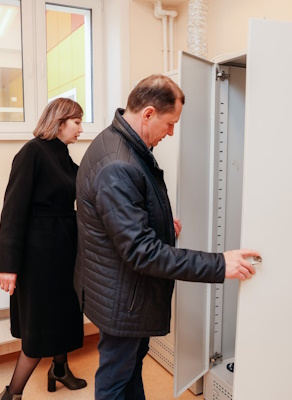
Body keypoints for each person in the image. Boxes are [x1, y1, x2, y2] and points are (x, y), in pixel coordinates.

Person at [74, 74, 261, 399]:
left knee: (128, 371)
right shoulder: (118, 164)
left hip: (119, 291)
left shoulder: (115, 141)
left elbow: (122, 216)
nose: (171, 132)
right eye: (170, 123)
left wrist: (158, 222)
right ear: (148, 113)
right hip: (123, 299)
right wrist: (220, 264)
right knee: (115, 381)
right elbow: (142, 252)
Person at [0, 98, 88, 400]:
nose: (81, 129)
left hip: (64, 250)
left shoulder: (64, 156)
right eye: (77, 122)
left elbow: (90, 190)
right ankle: (12, 394)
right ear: (60, 122)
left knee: (64, 313)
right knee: (39, 327)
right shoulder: (32, 152)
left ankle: (59, 370)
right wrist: (7, 265)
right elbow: (12, 210)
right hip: (38, 257)